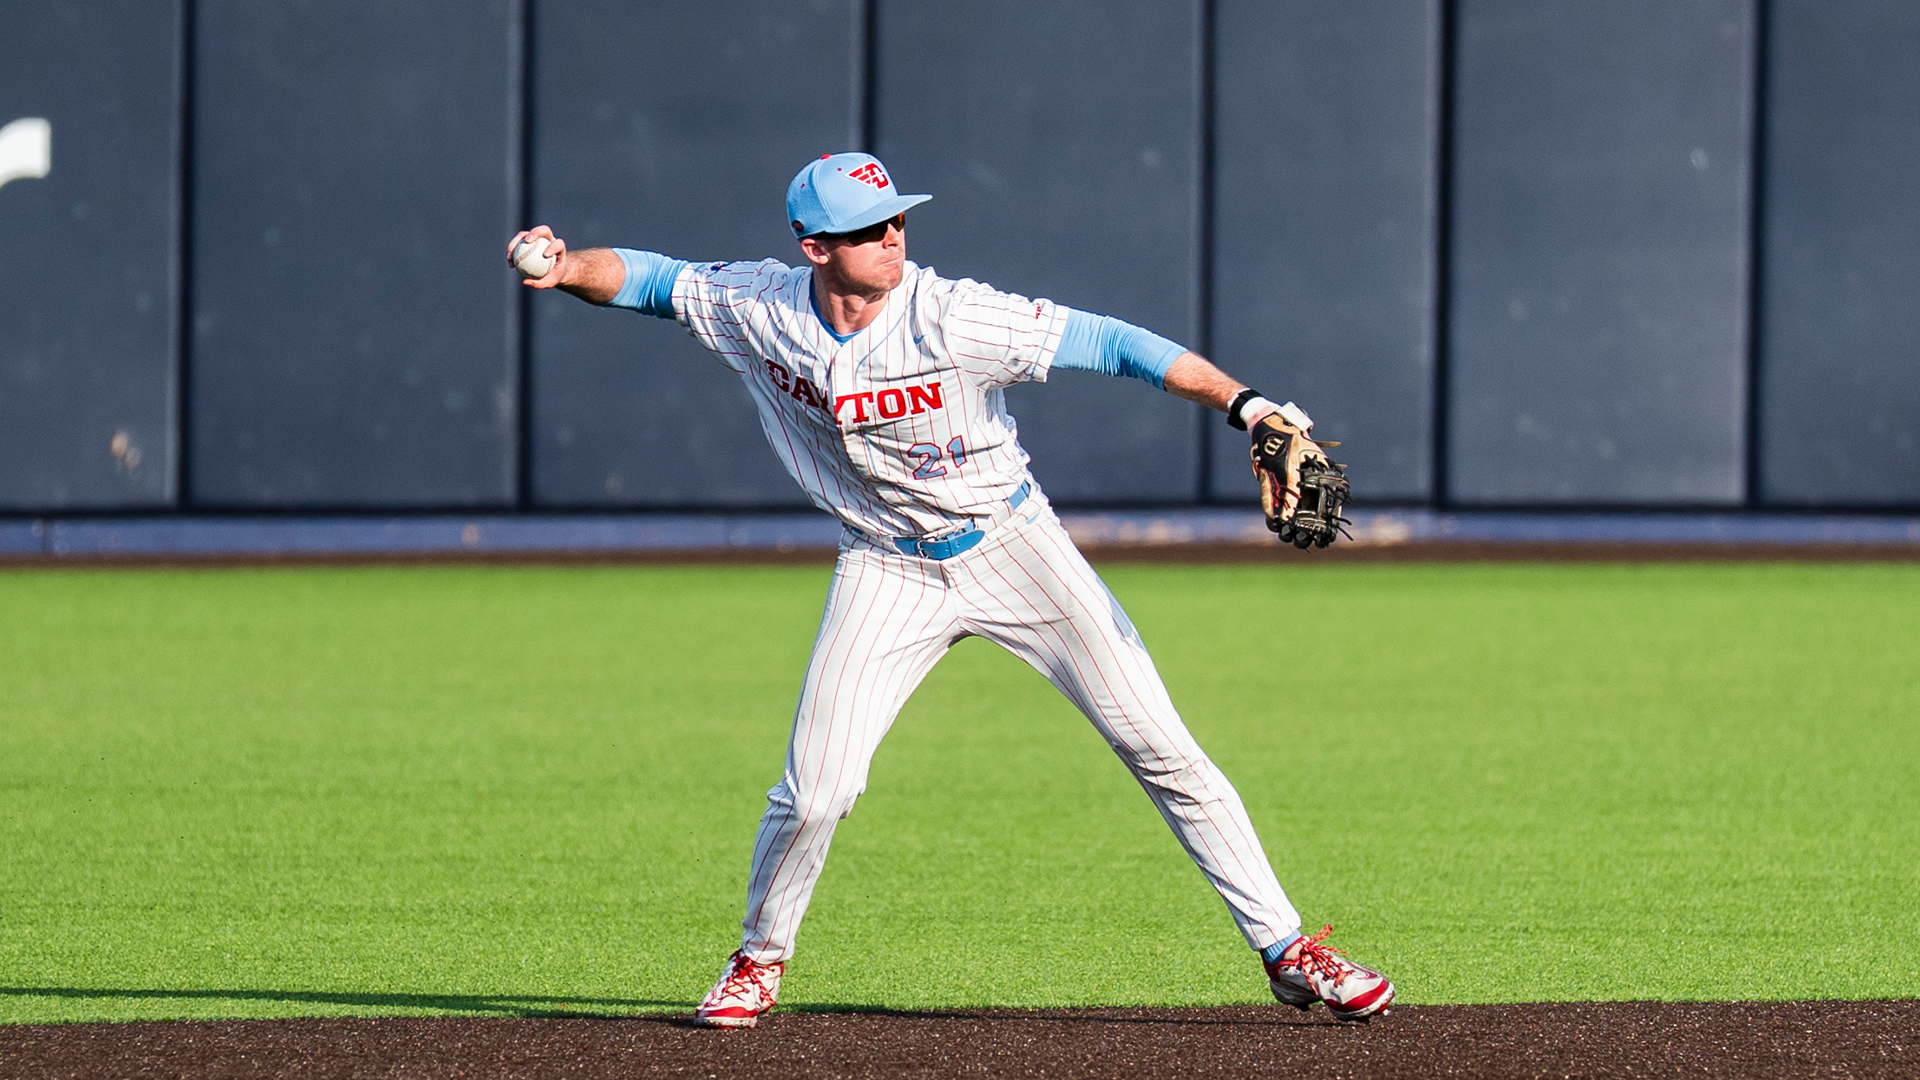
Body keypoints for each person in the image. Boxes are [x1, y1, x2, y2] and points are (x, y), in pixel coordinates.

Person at [508, 152, 1394, 1027]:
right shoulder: (757, 305)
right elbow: (649, 281)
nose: (894, 235)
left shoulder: (956, 318)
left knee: (1165, 750)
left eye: (898, 218)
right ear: (816, 248)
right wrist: (562, 266)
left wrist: (1248, 406)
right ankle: (757, 959)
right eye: (869, 228)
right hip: (885, 565)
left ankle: (1288, 950)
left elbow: (1115, 343)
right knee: (815, 791)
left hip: (1015, 547)